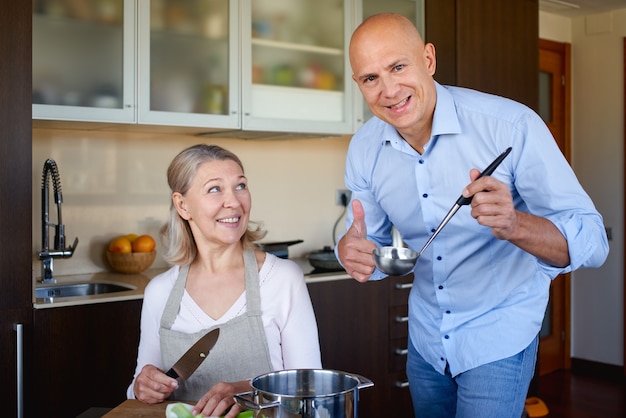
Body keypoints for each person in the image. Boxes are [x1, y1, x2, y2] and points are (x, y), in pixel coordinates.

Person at [336, 13, 609, 418]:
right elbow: (368, 242)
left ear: (428, 60)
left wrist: (514, 224)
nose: (389, 90)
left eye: (398, 66)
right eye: (371, 78)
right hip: (427, 338)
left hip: (498, 332)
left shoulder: (510, 126)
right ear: (359, 84)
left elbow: (593, 240)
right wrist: (351, 251)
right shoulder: (365, 148)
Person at [127, 144, 321, 417]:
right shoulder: (160, 291)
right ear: (182, 205)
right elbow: (139, 385)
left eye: (240, 186)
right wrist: (142, 386)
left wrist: (249, 391)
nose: (234, 202)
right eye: (215, 189)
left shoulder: (282, 279)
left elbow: (310, 387)